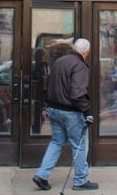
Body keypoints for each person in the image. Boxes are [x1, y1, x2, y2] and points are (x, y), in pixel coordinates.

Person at [32, 38, 98, 191]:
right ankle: (81, 180)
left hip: (54, 109)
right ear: (86, 52)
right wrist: (87, 112)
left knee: (56, 142)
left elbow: (49, 85)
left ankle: (42, 175)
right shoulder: (80, 66)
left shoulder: (59, 61)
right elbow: (77, 93)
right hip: (71, 112)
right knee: (80, 145)